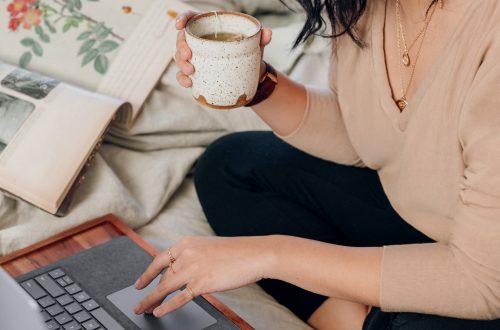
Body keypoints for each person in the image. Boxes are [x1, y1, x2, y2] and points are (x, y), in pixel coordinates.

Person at [133, 1, 500, 329]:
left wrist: (269, 254)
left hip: (482, 271)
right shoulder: (361, 6)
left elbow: (482, 282)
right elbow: (366, 136)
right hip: (436, 215)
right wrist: (254, 81)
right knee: (231, 166)